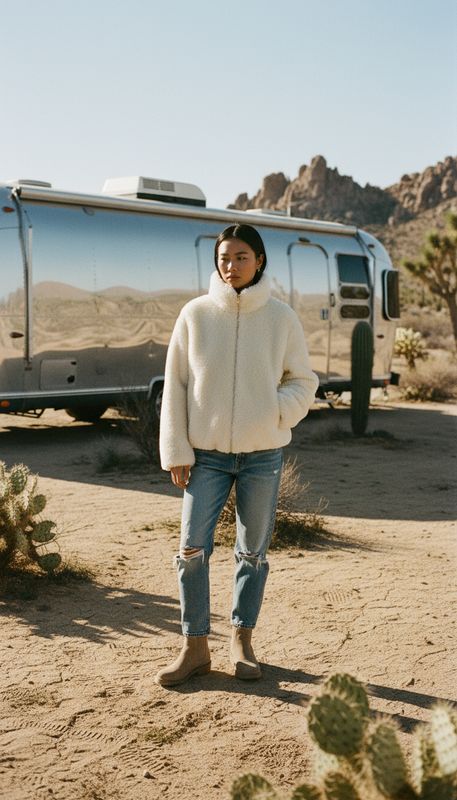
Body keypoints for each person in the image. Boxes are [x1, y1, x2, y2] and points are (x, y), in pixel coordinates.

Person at [156, 223, 318, 686]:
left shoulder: (281, 318)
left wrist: (274, 412)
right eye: (224, 258)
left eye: (241, 257)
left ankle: (242, 642)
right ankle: (195, 648)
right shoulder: (195, 314)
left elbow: (303, 381)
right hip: (205, 456)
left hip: (262, 455)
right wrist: (177, 449)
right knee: (191, 549)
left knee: (252, 553)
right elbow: (176, 385)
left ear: (259, 261)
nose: (231, 266)